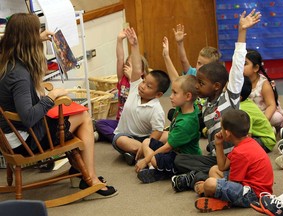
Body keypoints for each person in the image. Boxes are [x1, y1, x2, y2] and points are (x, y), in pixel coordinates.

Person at [0, 13, 117, 199]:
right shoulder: (19, 75)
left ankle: (79, 170)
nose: (39, 34)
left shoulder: (6, 59)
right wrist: (51, 97)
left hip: (11, 137)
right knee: (84, 118)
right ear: (28, 38)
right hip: (26, 142)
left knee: (72, 120)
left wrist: (38, 36)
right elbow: (29, 117)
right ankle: (90, 177)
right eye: (36, 31)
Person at [170, 9, 261, 193]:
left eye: (201, 84)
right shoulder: (204, 103)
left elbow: (236, 67)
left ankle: (197, 178)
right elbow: (180, 83)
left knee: (215, 173)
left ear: (217, 86)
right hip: (217, 158)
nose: (197, 86)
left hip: (234, 160)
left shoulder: (229, 96)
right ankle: (201, 177)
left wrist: (242, 32)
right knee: (180, 160)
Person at [135, 48, 202, 183]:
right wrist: (166, 55)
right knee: (147, 141)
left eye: (174, 93)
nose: (170, 97)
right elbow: (175, 79)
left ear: (188, 96)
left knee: (153, 158)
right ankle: (155, 168)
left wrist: (145, 160)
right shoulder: (185, 104)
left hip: (183, 159)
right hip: (176, 147)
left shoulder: (186, 124)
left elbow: (167, 148)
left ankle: (156, 170)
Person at [194, 109, 273, 212]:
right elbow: (222, 167)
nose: (220, 131)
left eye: (221, 128)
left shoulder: (240, 153)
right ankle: (219, 198)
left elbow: (234, 182)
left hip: (253, 196)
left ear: (227, 133)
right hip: (251, 185)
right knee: (214, 169)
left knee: (209, 184)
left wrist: (205, 187)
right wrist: (218, 144)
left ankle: (222, 201)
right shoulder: (245, 143)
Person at [112, 27, 170, 166]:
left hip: (147, 138)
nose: (143, 86)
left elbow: (157, 131)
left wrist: (147, 143)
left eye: (149, 86)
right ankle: (151, 155)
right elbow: (137, 70)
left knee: (170, 136)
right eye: (144, 82)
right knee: (119, 140)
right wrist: (134, 45)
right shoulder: (134, 89)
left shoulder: (156, 109)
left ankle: (140, 154)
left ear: (158, 95)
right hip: (127, 137)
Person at [94, 29, 149, 143]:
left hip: (135, 125)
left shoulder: (142, 85)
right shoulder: (122, 79)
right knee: (99, 123)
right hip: (121, 123)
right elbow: (120, 59)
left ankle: (121, 139)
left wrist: (132, 77)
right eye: (127, 65)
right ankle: (121, 138)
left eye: (132, 65)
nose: (128, 67)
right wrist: (119, 40)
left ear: (142, 71)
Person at [244, 49, 283, 129]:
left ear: (256, 68)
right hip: (249, 114)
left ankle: (271, 129)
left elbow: (271, 105)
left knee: (277, 117)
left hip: (264, 114)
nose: (240, 66)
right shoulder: (240, 81)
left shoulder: (263, 84)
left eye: (244, 64)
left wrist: (264, 121)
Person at [240, 76, 276, 152]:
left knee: (242, 147)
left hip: (265, 140)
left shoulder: (242, 109)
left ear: (238, 97)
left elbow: (248, 135)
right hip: (258, 134)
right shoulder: (245, 100)